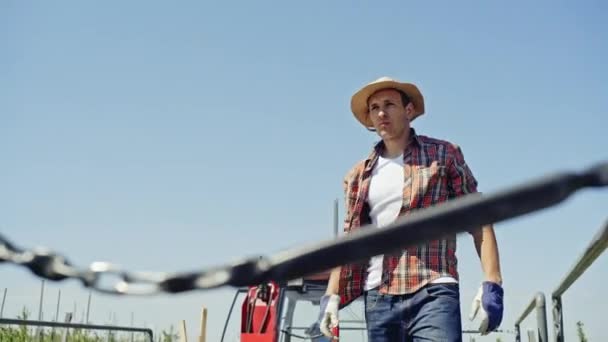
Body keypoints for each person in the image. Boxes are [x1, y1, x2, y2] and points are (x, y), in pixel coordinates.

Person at [317, 76, 504, 341]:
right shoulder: (358, 175)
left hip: (433, 291)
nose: (381, 112)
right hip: (379, 298)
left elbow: (479, 219)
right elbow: (351, 240)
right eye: (374, 108)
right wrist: (331, 294)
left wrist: (492, 282)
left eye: (390, 104)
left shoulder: (443, 155)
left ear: (409, 110)